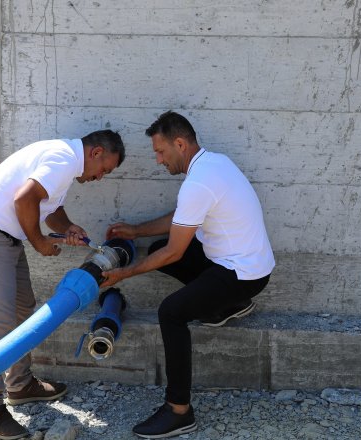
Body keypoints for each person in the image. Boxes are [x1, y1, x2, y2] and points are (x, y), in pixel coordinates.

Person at [101, 111, 274, 439]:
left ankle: (179, 410)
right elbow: (182, 219)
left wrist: (124, 274)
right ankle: (225, 307)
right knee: (159, 249)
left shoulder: (199, 182)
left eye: (161, 151)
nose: (158, 160)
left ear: (180, 144)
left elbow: (176, 253)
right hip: (243, 263)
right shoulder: (214, 163)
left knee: (171, 312)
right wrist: (136, 231)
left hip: (242, 275)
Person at [0, 129, 125, 440]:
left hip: (2, 237)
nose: (101, 177)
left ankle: (19, 385)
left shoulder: (64, 162)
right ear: (96, 152)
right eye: (104, 170)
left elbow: (48, 206)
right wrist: (39, 242)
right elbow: (25, 199)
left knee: (22, 312)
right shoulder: (61, 160)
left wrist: (67, 226)